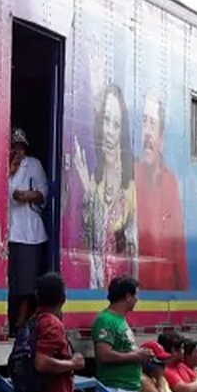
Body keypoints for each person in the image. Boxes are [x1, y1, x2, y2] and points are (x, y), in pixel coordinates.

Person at [73, 84, 136, 290]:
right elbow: (89, 238)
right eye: (106, 120)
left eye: (116, 124)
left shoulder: (130, 188)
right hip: (96, 284)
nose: (109, 131)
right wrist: (85, 185)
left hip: (118, 288)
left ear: (122, 132)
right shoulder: (95, 180)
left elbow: (131, 247)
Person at [135, 95, 189, 291]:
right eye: (144, 122)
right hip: (134, 291)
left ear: (162, 139)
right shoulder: (132, 175)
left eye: (152, 124)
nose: (147, 132)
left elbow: (179, 250)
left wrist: (183, 299)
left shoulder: (171, 183)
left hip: (164, 295)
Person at [7, 128, 49, 328]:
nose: (17, 151)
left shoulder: (33, 165)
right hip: (7, 232)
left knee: (26, 283)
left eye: (20, 147)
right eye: (14, 147)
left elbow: (43, 193)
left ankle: (20, 322)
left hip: (28, 232)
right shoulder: (3, 166)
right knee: (10, 282)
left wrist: (26, 195)